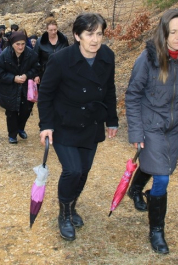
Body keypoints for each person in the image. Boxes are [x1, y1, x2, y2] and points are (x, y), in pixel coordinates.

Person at [38, 13, 119, 241]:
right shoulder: (61, 60)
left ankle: (72, 206)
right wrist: (46, 125)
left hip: (91, 123)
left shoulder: (107, 56)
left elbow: (109, 90)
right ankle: (64, 215)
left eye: (99, 34)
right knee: (72, 170)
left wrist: (111, 119)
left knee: (83, 171)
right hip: (65, 123)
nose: (95, 39)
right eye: (89, 34)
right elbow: (45, 94)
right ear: (77, 36)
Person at [125, 8, 178, 254]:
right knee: (163, 177)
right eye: (173, 31)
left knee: (159, 167)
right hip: (151, 126)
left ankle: (135, 189)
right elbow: (133, 95)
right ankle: (157, 230)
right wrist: (136, 132)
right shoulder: (147, 59)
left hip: (175, 130)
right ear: (163, 31)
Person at [0, 31, 39, 144]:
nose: (21, 46)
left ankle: (20, 128)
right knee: (11, 111)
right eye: (18, 44)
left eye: (23, 44)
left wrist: (27, 75)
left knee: (26, 109)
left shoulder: (31, 54)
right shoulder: (5, 55)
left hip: (25, 87)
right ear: (12, 44)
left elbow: (36, 68)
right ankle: (12, 134)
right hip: (9, 88)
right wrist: (13, 78)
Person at [33, 17, 69, 84]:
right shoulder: (40, 42)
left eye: (55, 30)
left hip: (62, 73)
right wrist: (36, 74)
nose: (53, 32)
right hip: (46, 74)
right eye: (51, 30)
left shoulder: (63, 39)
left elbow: (68, 56)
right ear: (46, 29)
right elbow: (34, 59)